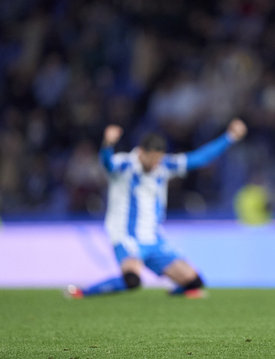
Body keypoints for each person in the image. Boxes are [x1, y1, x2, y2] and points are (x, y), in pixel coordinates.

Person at [65, 119, 248, 299]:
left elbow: (200, 158)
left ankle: (173, 295)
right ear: (141, 152)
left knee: (194, 282)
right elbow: (107, 163)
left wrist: (229, 137)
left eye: (158, 159)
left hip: (154, 240)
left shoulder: (164, 166)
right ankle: (82, 293)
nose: (155, 164)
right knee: (132, 280)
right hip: (127, 237)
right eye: (152, 159)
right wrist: (107, 145)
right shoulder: (125, 165)